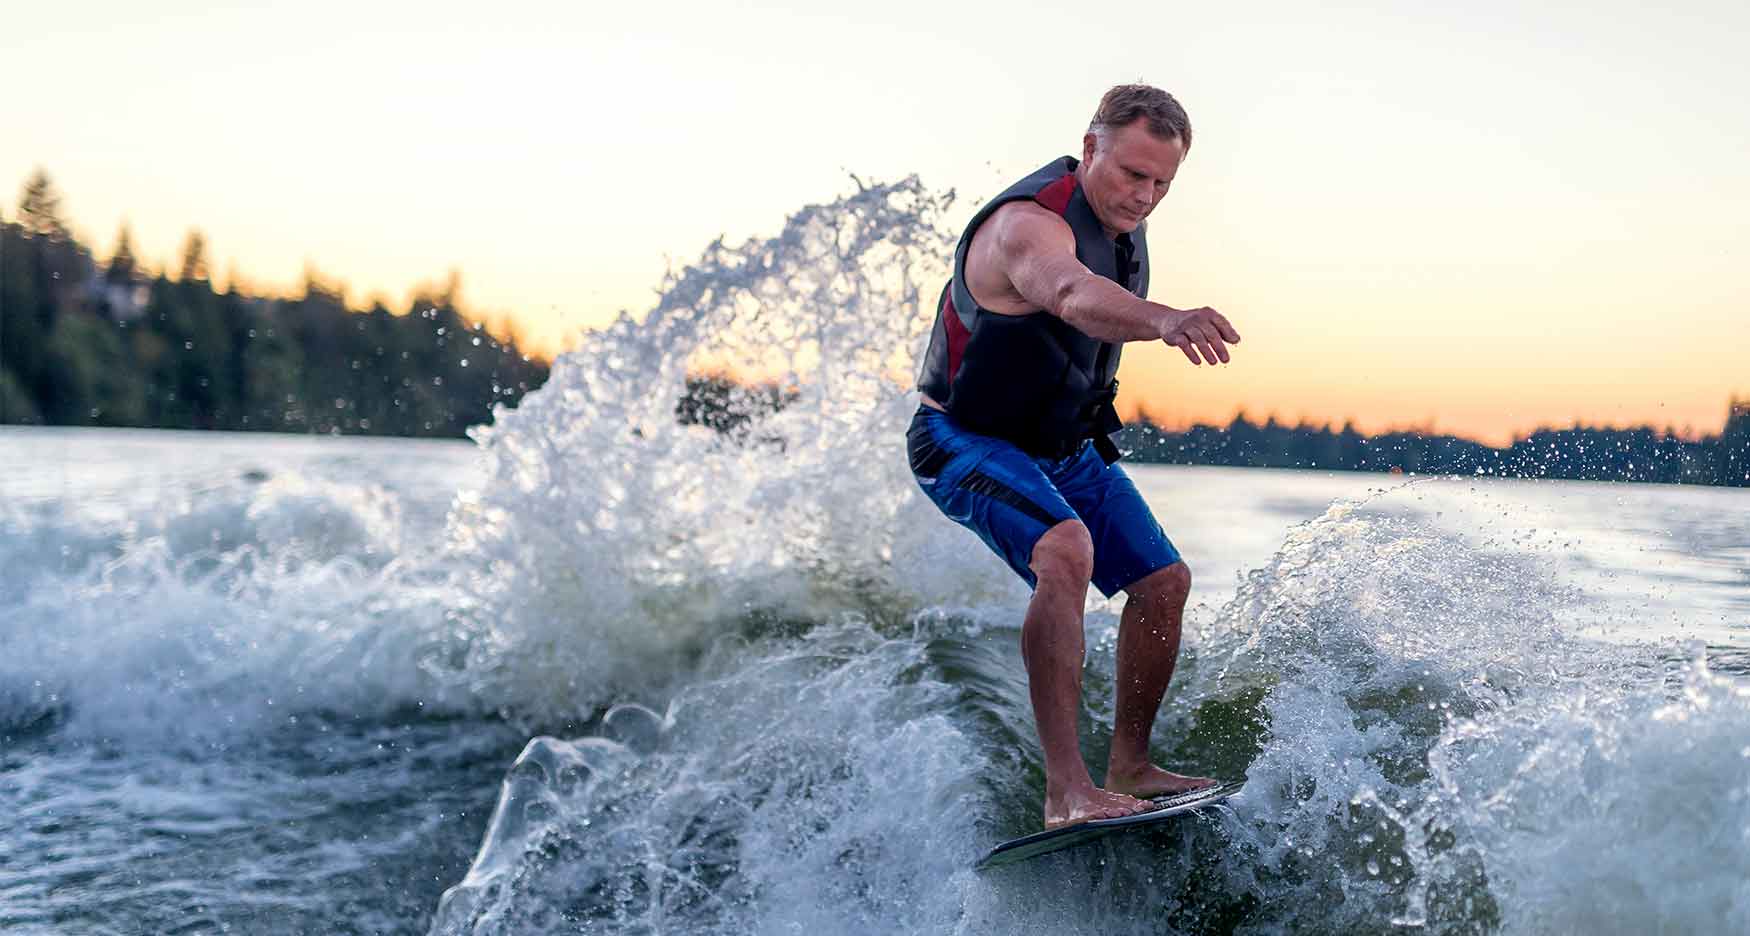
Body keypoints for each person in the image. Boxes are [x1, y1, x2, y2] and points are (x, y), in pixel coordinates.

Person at [907, 84, 1241, 831]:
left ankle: (1132, 765)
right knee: (1067, 552)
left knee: (1163, 583)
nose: (1145, 196)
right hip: (963, 441)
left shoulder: (1122, 217)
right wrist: (1168, 319)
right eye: (1132, 174)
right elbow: (1069, 293)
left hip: (1066, 449)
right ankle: (1067, 792)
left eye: (1162, 183)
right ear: (1090, 148)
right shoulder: (1026, 226)